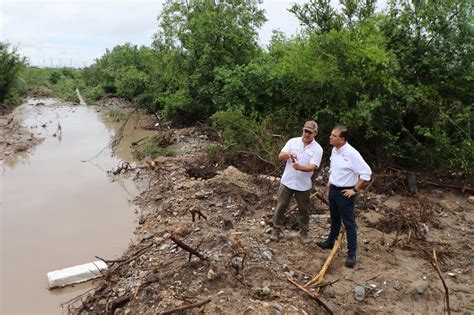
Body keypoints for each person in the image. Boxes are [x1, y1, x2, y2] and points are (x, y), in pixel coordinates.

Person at [316, 125, 372, 268]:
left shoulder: (352, 153)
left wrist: (355, 189)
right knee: (334, 218)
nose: (330, 137)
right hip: (333, 190)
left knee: (349, 223)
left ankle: (351, 254)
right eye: (331, 134)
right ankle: (330, 242)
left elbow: (366, 173)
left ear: (342, 139)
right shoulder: (335, 150)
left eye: (334, 136)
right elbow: (335, 167)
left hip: (345, 193)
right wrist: (330, 181)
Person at [271, 121, 323, 241]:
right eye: (305, 131)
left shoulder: (317, 149)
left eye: (310, 132)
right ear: (302, 130)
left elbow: (313, 167)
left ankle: (304, 233)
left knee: (304, 210)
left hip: (303, 185)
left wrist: (301, 168)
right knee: (281, 206)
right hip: (287, 182)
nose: (306, 134)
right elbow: (280, 156)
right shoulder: (292, 141)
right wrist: (289, 154)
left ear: (315, 133)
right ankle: (276, 230)